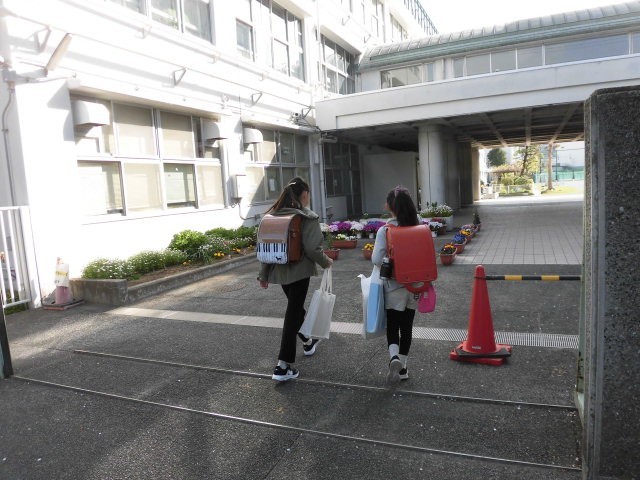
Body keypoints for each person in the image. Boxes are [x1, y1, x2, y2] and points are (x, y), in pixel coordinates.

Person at [257, 177, 333, 382]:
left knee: (296, 309)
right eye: (308, 194)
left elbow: (266, 247)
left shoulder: (274, 216)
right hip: (300, 272)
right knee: (292, 314)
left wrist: (264, 274)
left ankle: (307, 341)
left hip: (280, 272)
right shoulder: (306, 217)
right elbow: (312, 248)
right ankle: (283, 366)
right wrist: (326, 262)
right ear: (304, 194)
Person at [371, 186, 419, 383]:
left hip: (394, 287)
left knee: (393, 326)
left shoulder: (385, 230)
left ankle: (394, 357)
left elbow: (376, 259)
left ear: (390, 206)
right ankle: (403, 368)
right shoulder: (419, 226)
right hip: (415, 286)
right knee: (407, 327)